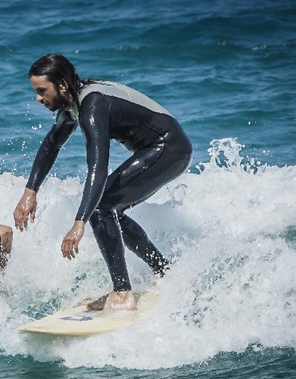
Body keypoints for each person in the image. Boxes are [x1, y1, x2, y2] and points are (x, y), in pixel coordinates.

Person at [13, 53, 192, 311]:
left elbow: (97, 167)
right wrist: (30, 191)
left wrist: (79, 222)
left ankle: (122, 293)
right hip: (162, 148)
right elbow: (52, 144)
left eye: (42, 91)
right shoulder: (73, 105)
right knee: (110, 209)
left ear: (62, 85)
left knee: (101, 207)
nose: (38, 98)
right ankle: (165, 271)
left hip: (169, 148)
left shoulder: (93, 105)